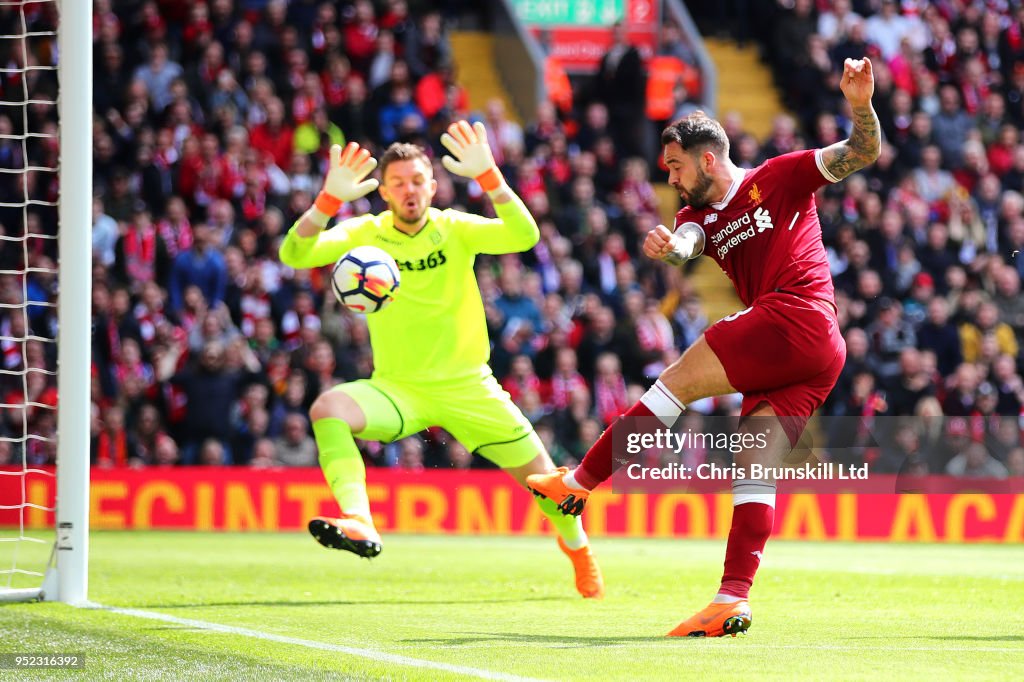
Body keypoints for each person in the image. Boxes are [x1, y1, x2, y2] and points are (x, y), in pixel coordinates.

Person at [528, 58, 880, 634]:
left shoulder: (782, 175)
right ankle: (731, 598)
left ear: (707, 159)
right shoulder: (697, 216)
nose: (670, 178)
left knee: (672, 389)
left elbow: (861, 153)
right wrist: (671, 247)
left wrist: (860, 104)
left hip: (796, 316)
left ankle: (576, 486)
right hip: (815, 352)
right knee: (752, 470)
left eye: (674, 166)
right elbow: (689, 242)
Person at [278, 122, 603, 599]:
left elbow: (524, 235)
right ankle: (360, 521)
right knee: (327, 408)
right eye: (398, 183)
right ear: (384, 192)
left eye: (417, 181)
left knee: (548, 486)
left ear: (433, 185)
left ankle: (578, 550)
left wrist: (489, 173)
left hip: (470, 387)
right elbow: (294, 253)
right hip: (398, 388)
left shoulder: (454, 228)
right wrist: (328, 200)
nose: (409, 190)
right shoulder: (366, 234)